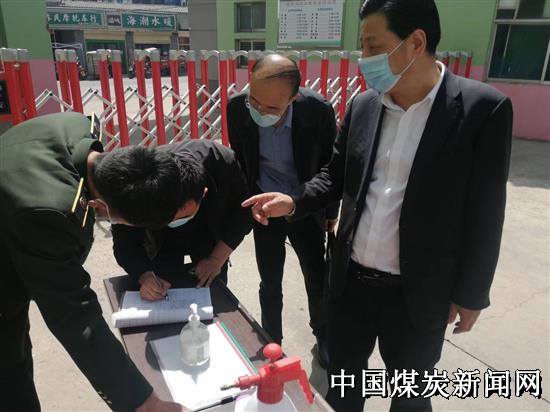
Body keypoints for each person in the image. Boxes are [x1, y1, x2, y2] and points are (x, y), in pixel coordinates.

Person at [242, 0, 513, 410]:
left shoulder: (482, 110)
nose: (363, 58)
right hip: (351, 283)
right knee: (345, 387)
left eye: (373, 46)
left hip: (418, 292)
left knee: (409, 396)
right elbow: (336, 175)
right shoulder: (364, 105)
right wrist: (293, 200)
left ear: (415, 42)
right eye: (362, 46)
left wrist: (472, 292)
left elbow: (487, 210)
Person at [0, 112, 186, 411]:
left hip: (12, 238)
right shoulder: (49, 212)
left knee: (16, 357)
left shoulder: (75, 126)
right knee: (9, 375)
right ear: (99, 206)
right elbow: (74, 316)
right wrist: (145, 403)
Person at [227, 54, 338, 366]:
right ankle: (271, 338)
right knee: (270, 279)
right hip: (264, 206)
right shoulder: (237, 108)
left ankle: (323, 334)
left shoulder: (317, 111)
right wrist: (249, 202)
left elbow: (331, 166)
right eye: (254, 101)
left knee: (316, 277)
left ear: (293, 98)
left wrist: (330, 212)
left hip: (304, 204)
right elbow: (241, 158)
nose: (260, 111)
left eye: (272, 108)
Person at [110, 139, 252, 298]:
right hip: (161, 240)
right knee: (161, 287)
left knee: (213, 290)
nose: (175, 222)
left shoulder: (222, 161)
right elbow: (125, 241)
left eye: (184, 216)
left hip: (209, 231)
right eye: (169, 218)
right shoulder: (139, 185)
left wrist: (216, 259)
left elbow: (243, 214)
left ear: (203, 193)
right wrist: (144, 276)